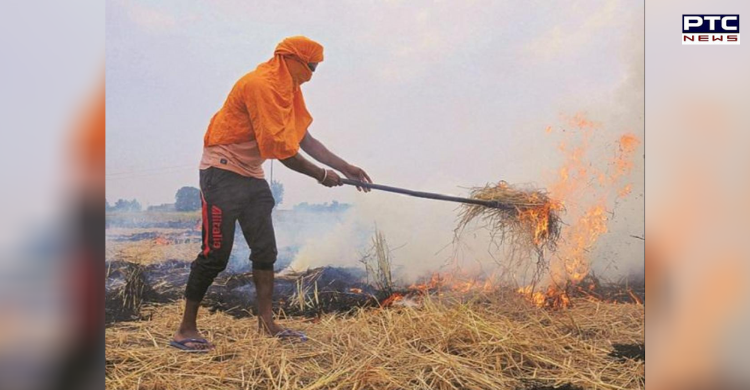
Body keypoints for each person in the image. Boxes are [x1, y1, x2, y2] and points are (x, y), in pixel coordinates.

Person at [171, 36, 372, 351]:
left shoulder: (288, 91)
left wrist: (346, 167)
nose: (312, 74)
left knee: (265, 252)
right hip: (221, 171)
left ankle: (267, 323)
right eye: (311, 66)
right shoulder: (261, 85)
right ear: (291, 59)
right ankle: (185, 329)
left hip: (251, 174)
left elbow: (303, 138)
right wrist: (321, 175)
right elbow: (281, 150)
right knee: (215, 255)